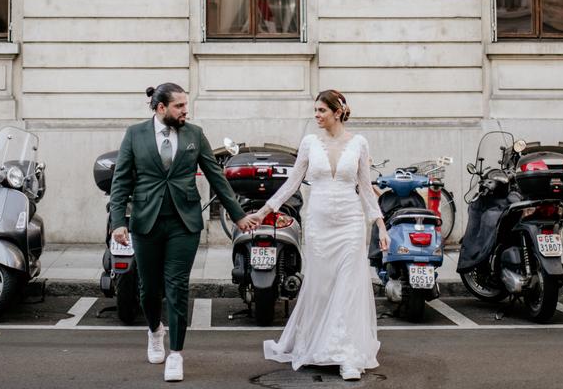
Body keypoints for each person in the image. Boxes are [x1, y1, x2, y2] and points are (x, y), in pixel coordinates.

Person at [109, 83, 258, 382]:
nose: (185, 111)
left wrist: (238, 214)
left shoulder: (195, 134)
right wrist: (118, 221)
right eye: (179, 106)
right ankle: (155, 331)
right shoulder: (135, 134)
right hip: (146, 221)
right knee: (148, 287)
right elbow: (121, 180)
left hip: (184, 222)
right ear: (161, 108)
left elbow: (216, 176)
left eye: (186, 105)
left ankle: (176, 354)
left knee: (177, 287)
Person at [241, 90, 389, 381]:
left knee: (348, 287)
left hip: (350, 224)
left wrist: (381, 226)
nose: (316, 115)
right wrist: (264, 211)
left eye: (322, 110)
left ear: (338, 112)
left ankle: (347, 356)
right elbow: (291, 184)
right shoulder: (310, 143)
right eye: (315, 110)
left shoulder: (359, 143)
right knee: (322, 286)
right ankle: (318, 343)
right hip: (319, 225)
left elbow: (366, 188)